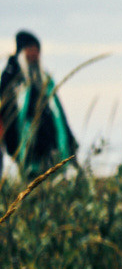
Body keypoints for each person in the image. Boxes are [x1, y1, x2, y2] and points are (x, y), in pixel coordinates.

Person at [1, 31, 77, 180]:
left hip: (49, 141)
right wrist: (11, 143)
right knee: (32, 179)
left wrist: (69, 140)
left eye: (37, 50)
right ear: (22, 51)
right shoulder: (11, 78)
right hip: (26, 143)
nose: (35, 54)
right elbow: (6, 113)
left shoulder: (44, 79)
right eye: (30, 49)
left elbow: (59, 114)